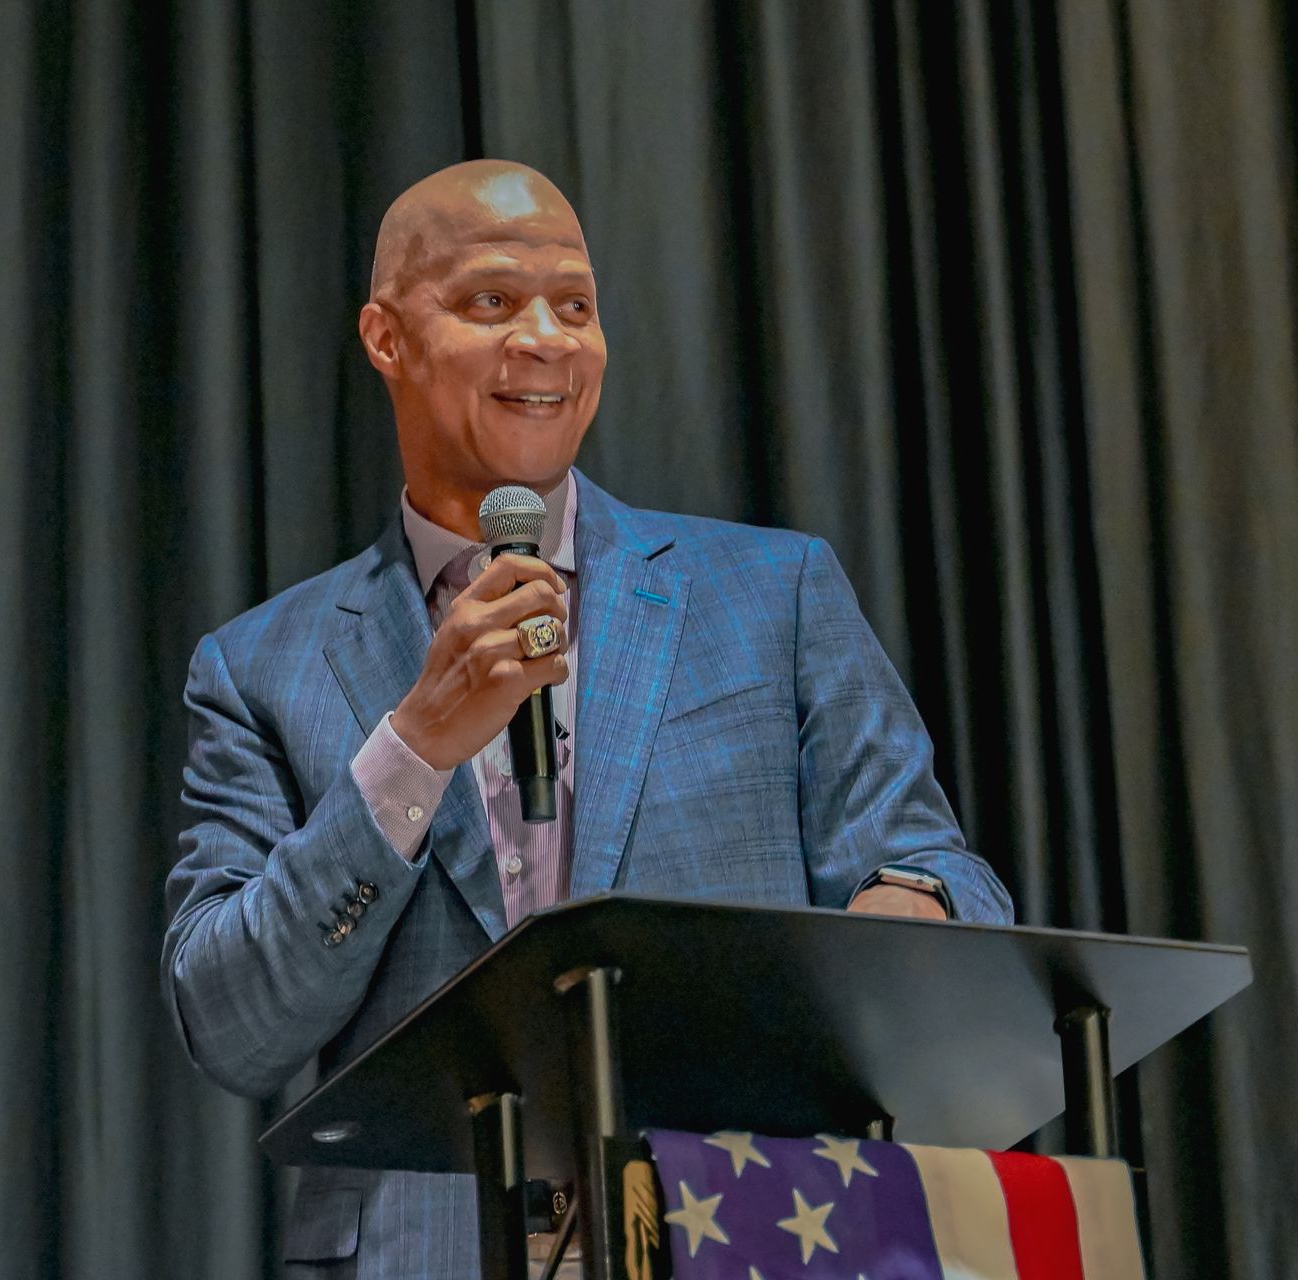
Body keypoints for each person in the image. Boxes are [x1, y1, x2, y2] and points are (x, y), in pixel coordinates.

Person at [161, 159, 1012, 1280]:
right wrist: (416, 744)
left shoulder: (774, 592)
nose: (547, 339)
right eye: (492, 302)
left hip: (741, 1228)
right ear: (384, 336)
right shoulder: (260, 665)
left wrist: (906, 905)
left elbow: (940, 862)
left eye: (576, 304)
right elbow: (231, 1020)